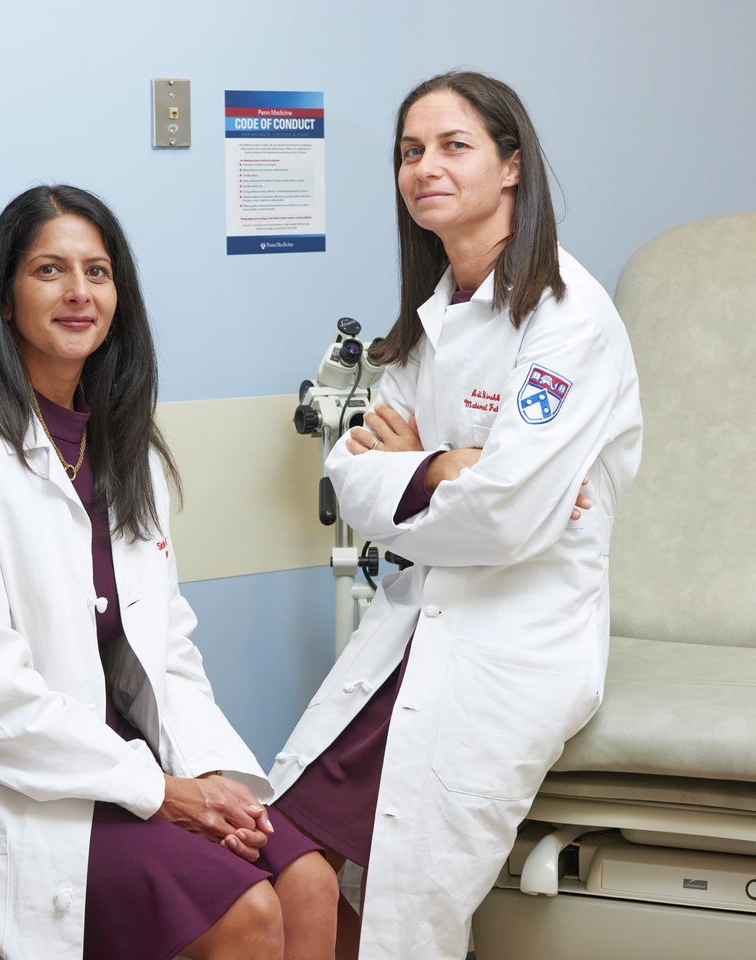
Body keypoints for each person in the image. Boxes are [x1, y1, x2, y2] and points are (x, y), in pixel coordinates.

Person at [0, 185, 339, 960]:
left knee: (310, 882)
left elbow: (165, 646)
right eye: (49, 270)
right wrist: (162, 794)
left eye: (98, 272)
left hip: (119, 763)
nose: (79, 292)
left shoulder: (123, 447)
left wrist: (208, 774)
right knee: (245, 912)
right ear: (5, 300)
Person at [269, 71, 643, 960]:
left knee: (406, 906)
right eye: (409, 151)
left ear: (511, 167)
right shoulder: (433, 318)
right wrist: (449, 466)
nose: (424, 167)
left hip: (513, 644)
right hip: (416, 622)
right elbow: (351, 479)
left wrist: (418, 470)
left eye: (452, 146)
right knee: (289, 858)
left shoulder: (568, 320)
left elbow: (508, 521)